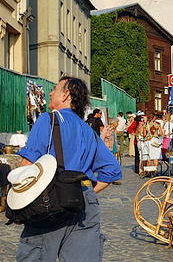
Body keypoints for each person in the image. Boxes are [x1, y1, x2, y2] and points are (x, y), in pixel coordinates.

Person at [16, 76, 122, 261]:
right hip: (84, 202)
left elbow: (27, 166)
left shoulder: (47, 120)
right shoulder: (88, 129)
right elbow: (112, 170)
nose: (49, 93)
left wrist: (18, 206)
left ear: (66, 95)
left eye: (54, 89)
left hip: (50, 200)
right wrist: (86, 192)